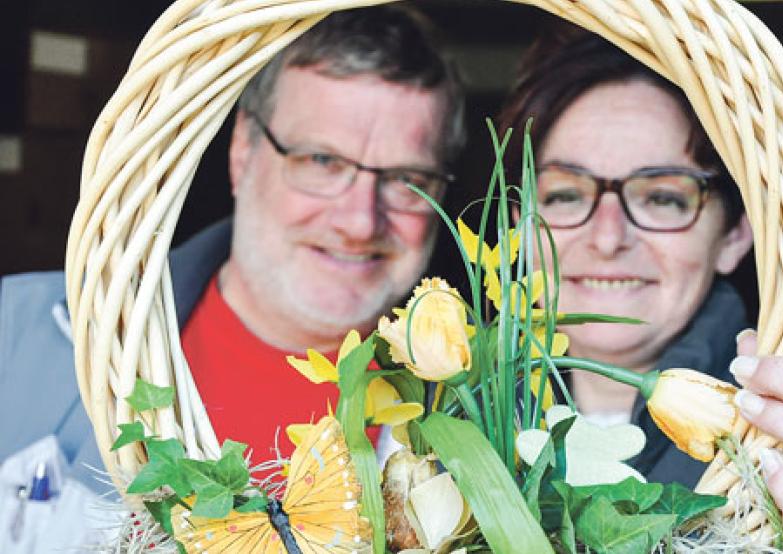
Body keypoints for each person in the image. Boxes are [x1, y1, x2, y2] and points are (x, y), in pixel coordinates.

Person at [497, 27, 783, 553]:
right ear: (520, 224)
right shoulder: (441, 406)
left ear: (737, 234)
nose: (606, 238)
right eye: (564, 194)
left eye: (663, 198)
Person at [0, 4, 464, 495]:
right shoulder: (16, 330)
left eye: (407, 180)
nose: (359, 221)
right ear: (242, 149)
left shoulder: (489, 421)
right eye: (322, 161)